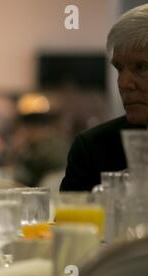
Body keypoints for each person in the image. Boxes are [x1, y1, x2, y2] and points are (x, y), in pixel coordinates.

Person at [60, 3, 148, 192]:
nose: (124, 83)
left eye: (141, 67)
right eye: (119, 68)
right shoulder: (94, 148)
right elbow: (70, 221)